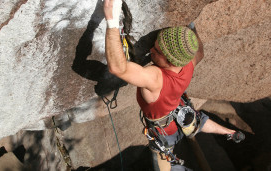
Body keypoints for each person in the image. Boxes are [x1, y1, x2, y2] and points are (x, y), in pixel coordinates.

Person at [103, 0, 241, 170]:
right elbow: (199, 51)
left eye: (157, 51)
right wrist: (188, 26)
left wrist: (111, 19)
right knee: (196, 121)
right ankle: (230, 132)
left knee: (166, 162)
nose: (150, 51)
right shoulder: (189, 63)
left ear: (170, 61)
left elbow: (117, 67)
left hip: (164, 136)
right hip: (181, 115)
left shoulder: (156, 78)